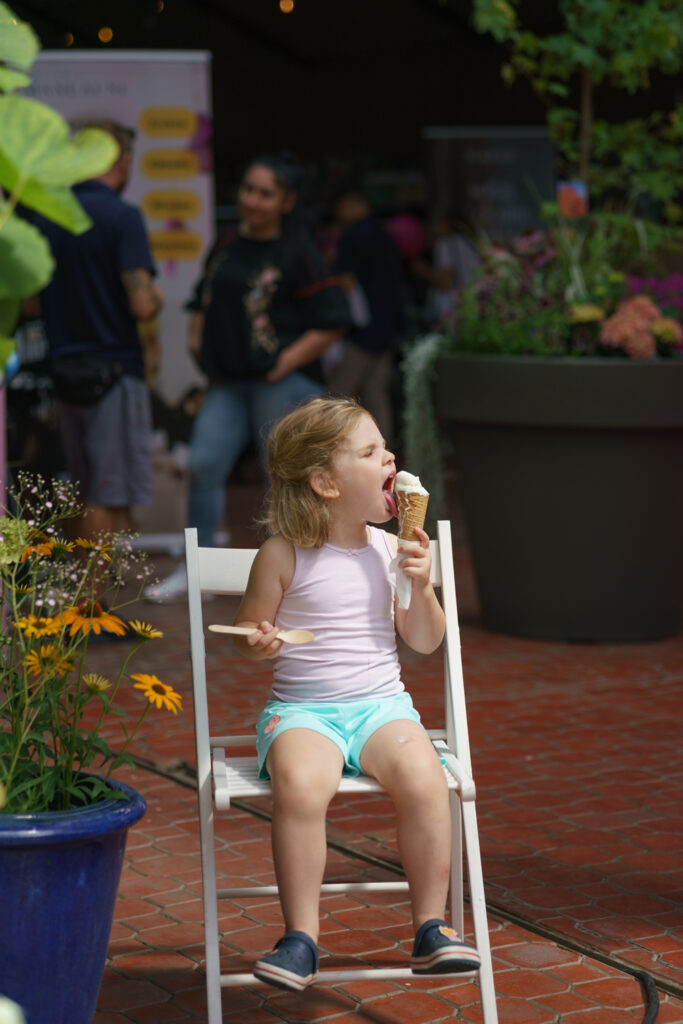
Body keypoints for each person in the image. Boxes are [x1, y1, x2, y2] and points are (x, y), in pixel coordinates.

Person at [232, 396, 481, 990]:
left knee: (425, 778)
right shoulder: (282, 553)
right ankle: (302, 937)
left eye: (384, 447)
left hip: (382, 707)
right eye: (370, 452)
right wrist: (261, 640)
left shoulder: (394, 551)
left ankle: (431, 927)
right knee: (300, 783)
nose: (390, 456)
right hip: (302, 711)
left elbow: (423, 642)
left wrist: (422, 588)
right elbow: (248, 630)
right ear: (324, 483)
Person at [145, 153, 352, 602]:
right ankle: (195, 572)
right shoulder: (226, 245)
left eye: (265, 193)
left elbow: (334, 319)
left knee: (283, 477)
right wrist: (198, 340)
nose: (253, 201)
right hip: (228, 384)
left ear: (286, 201)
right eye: (248, 189)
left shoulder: (299, 253)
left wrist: (286, 361)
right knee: (202, 466)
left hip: (282, 382)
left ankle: (294, 577)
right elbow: (202, 299)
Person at [32, 119, 162, 539]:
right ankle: (88, 604)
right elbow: (142, 305)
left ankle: (75, 592)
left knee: (80, 488)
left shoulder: (50, 215)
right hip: (114, 372)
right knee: (107, 492)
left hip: (65, 369)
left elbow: (32, 301)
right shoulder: (121, 217)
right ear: (122, 161)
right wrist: (156, 298)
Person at [326, 188, 404, 444]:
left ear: (351, 204)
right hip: (387, 327)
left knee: (337, 397)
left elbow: (346, 281)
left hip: (359, 330)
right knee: (376, 395)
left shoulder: (352, 236)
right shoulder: (386, 235)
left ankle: (325, 454)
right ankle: (383, 457)